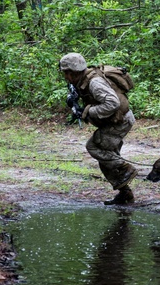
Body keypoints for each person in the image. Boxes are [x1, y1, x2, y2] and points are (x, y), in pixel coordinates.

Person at [59, 52, 138, 205]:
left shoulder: (94, 83)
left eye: (66, 73)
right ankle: (125, 195)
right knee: (105, 158)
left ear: (72, 72)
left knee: (94, 147)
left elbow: (112, 103)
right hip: (113, 122)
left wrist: (87, 112)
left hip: (120, 121)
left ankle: (125, 168)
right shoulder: (81, 81)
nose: (65, 77)